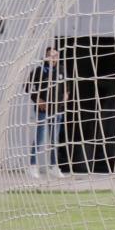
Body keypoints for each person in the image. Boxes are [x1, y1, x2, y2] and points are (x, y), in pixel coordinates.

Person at [24, 44, 66, 179]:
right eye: (50, 55)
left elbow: (67, 89)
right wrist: (38, 100)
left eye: (55, 55)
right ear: (46, 56)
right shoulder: (38, 71)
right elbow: (28, 88)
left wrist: (64, 98)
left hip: (57, 111)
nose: (53, 58)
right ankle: (32, 166)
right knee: (40, 138)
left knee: (55, 140)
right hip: (43, 111)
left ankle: (54, 167)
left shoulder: (61, 70)